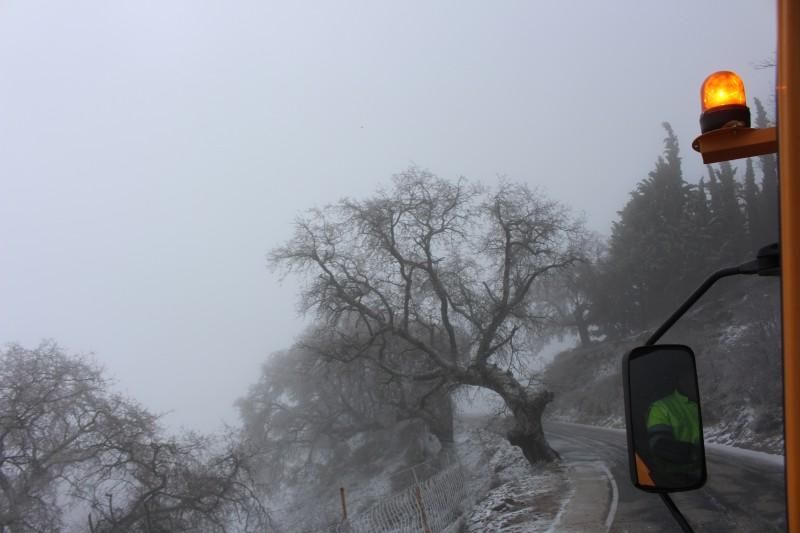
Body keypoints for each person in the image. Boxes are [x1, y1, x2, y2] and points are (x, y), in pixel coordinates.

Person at [646, 367, 702, 487]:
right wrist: (695, 453)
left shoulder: (705, 402)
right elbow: (659, 444)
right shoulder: (661, 407)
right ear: (680, 380)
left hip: (703, 473)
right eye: (689, 377)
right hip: (675, 478)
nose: (695, 381)